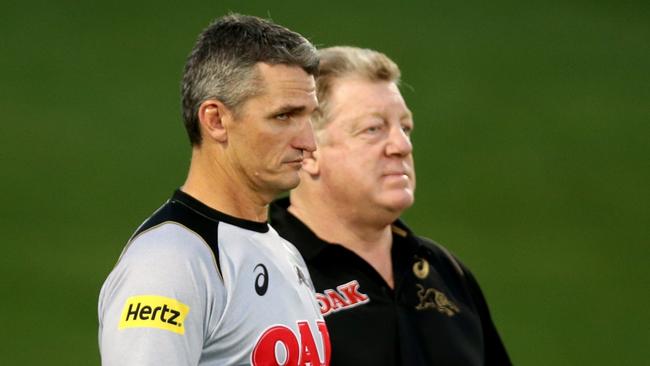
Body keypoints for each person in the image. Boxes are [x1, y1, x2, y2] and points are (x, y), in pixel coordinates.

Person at [98, 14, 331, 366]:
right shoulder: (170, 265)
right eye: (284, 116)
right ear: (216, 120)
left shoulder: (284, 253)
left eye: (309, 117)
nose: (309, 142)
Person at [270, 46, 511, 365]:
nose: (402, 145)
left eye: (405, 128)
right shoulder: (258, 273)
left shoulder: (445, 273)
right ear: (310, 151)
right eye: (373, 129)